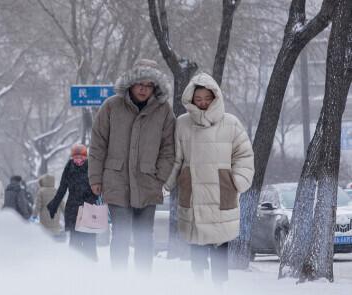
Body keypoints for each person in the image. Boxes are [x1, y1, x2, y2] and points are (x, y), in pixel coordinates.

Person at [165, 72, 254, 285]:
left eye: (207, 98)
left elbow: (243, 154)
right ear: (191, 99)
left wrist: (238, 178)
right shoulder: (183, 123)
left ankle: (219, 287)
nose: (203, 102)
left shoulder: (230, 123)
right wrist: (166, 184)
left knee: (220, 248)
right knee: (196, 248)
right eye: (198, 99)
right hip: (193, 191)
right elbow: (176, 158)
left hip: (221, 191)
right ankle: (199, 286)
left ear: (215, 97)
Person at [88, 59, 175, 272]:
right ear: (131, 83)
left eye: (149, 84)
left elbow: (169, 149)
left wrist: (160, 178)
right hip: (117, 181)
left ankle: (143, 284)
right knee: (121, 234)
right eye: (139, 83)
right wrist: (96, 178)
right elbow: (98, 144)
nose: (144, 89)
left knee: (145, 237)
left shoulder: (163, 111)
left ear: (155, 87)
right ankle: (120, 284)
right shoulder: (111, 106)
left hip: (148, 183)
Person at [47, 144, 98, 260]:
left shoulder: (92, 167)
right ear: (72, 157)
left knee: (89, 242)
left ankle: (92, 269)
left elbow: (98, 187)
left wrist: (93, 200)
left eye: (81, 157)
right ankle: (74, 268)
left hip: (89, 208)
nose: (78, 160)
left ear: (85, 157)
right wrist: (54, 204)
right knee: (75, 242)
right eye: (76, 158)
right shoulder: (69, 167)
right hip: (73, 209)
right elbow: (62, 187)